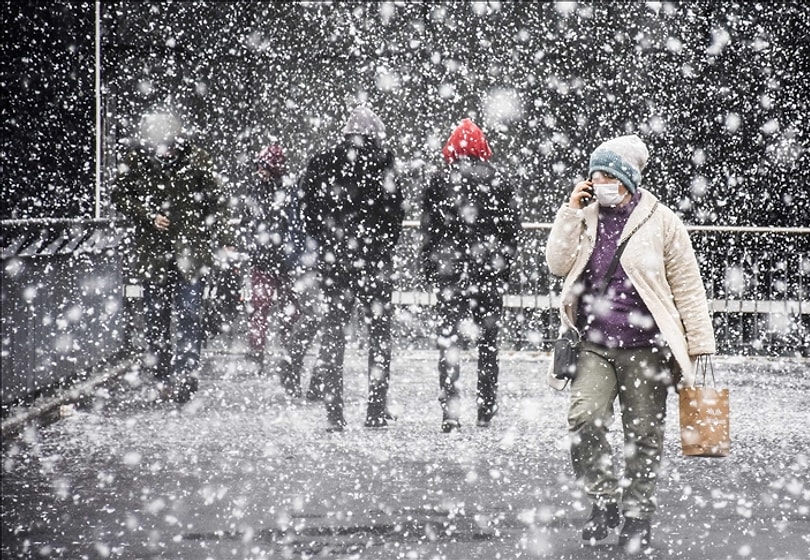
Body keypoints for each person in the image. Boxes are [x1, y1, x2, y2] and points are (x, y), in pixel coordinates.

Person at [544, 134, 716, 551]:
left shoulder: (662, 221)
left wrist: (699, 345)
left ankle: (638, 516)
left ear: (627, 178)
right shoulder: (585, 217)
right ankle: (603, 500)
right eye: (593, 176)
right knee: (584, 419)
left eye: (606, 175)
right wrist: (569, 211)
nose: (599, 183)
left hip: (646, 347)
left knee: (643, 435)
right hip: (594, 343)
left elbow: (687, 286)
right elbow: (556, 263)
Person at [113, 111, 233, 404]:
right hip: (155, 254)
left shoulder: (197, 160)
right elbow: (119, 195)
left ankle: (185, 373)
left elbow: (218, 200)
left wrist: (222, 237)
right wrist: (147, 215)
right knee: (157, 315)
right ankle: (164, 373)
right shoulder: (138, 160)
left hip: (188, 251)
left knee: (190, 312)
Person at [298, 105, 403, 430]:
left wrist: (331, 243)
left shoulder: (322, 163)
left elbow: (308, 213)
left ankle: (335, 413)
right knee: (379, 337)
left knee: (334, 335)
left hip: (335, 264)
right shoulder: (384, 165)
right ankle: (374, 409)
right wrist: (379, 245)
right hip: (374, 263)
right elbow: (394, 215)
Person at [419, 118, 521, 432]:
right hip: (488, 273)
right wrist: (503, 266)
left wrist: (431, 267)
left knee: (449, 343)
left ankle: (450, 411)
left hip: (451, 274)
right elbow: (511, 232)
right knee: (488, 344)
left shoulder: (439, 180)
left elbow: (429, 231)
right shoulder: (499, 180)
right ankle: (485, 409)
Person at [239, 144, 307, 395]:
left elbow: (252, 221)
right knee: (262, 305)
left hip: (277, 259)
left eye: (264, 166)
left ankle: (278, 349)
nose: (260, 171)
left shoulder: (280, 190)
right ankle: (264, 351)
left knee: (272, 307)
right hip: (271, 258)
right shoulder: (276, 189)